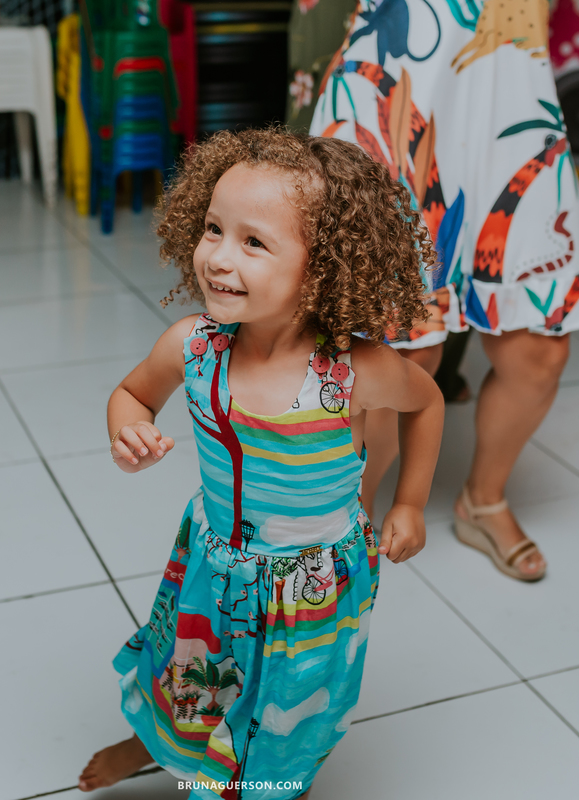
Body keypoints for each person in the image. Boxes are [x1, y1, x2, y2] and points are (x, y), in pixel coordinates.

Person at [78, 130, 445, 796]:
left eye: (254, 242)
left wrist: (412, 502)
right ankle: (151, 745)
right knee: (187, 672)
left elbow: (427, 403)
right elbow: (132, 395)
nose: (218, 257)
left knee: (287, 714)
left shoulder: (350, 373)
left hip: (313, 591)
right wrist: (129, 431)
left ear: (322, 266)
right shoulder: (192, 348)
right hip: (213, 565)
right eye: (214, 229)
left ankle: (267, 783)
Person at [311, 0, 579, 581]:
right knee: (396, 346)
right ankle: (341, 523)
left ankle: (482, 499)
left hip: (512, 77)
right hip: (400, 70)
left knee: (539, 346)